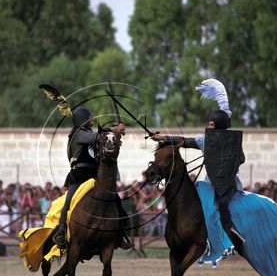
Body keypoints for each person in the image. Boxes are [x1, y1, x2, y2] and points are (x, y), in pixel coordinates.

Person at [151, 78, 245, 250]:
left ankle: (230, 230)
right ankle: (201, 235)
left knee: (222, 203)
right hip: (209, 182)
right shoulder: (204, 140)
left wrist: (223, 158)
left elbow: (241, 159)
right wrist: (163, 138)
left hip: (227, 183)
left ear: (219, 126)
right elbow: (185, 141)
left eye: (211, 124)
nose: (208, 127)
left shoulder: (233, 142)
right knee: (195, 201)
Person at [52, 106, 132, 249]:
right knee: (68, 202)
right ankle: (61, 231)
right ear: (83, 120)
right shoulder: (78, 134)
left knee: (116, 202)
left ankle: (120, 235)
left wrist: (116, 135)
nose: (92, 120)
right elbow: (98, 136)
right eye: (89, 118)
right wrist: (115, 129)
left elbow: (104, 140)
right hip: (79, 176)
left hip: (96, 176)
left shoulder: (90, 134)